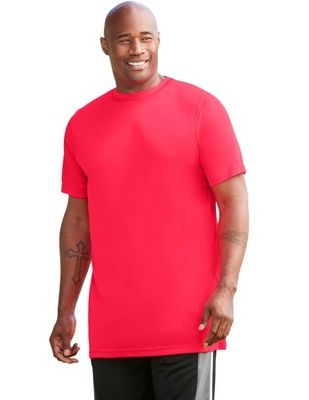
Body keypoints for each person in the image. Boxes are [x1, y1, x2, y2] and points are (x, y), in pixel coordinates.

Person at [49, 1, 249, 399]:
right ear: (105, 46)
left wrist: (226, 289)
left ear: (159, 41)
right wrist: (65, 310)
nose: (137, 49)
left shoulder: (201, 109)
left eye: (145, 38)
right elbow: (77, 222)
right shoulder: (82, 124)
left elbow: (234, 202)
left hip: (189, 325)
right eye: (124, 39)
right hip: (113, 331)